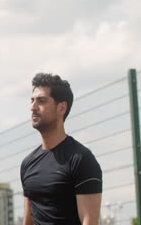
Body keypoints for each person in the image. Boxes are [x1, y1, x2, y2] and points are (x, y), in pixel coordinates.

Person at [20, 73, 102, 225]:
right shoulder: (27, 164)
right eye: (32, 101)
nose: (33, 107)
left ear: (61, 107)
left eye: (41, 101)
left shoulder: (81, 159)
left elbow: (89, 221)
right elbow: (28, 221)